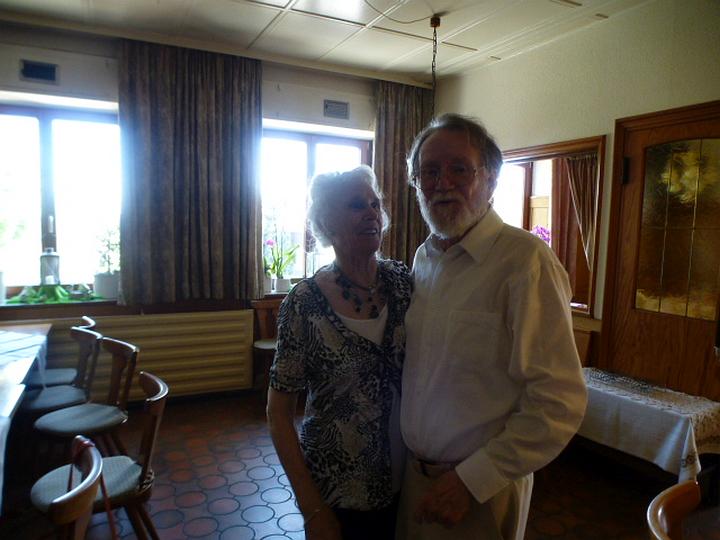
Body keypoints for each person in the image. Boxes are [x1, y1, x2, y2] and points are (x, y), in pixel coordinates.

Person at [398, 114, 588, 540]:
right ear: (416, 184)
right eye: (429, 171)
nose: (442, 183)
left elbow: (559, 402)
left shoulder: (526, 262)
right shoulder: (424, 258)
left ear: (491, 180)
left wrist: (474, 480)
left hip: (480, 491)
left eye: (459, 169)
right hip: (415, 480)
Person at [267, 165, 412, 540]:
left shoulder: (403, 283)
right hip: (338, 491)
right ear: (327, 224)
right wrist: (312, 509)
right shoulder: (304, 303)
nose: (371, 213)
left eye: (375, 204)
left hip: (410, 482)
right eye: (356, 205)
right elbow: (278, 414)